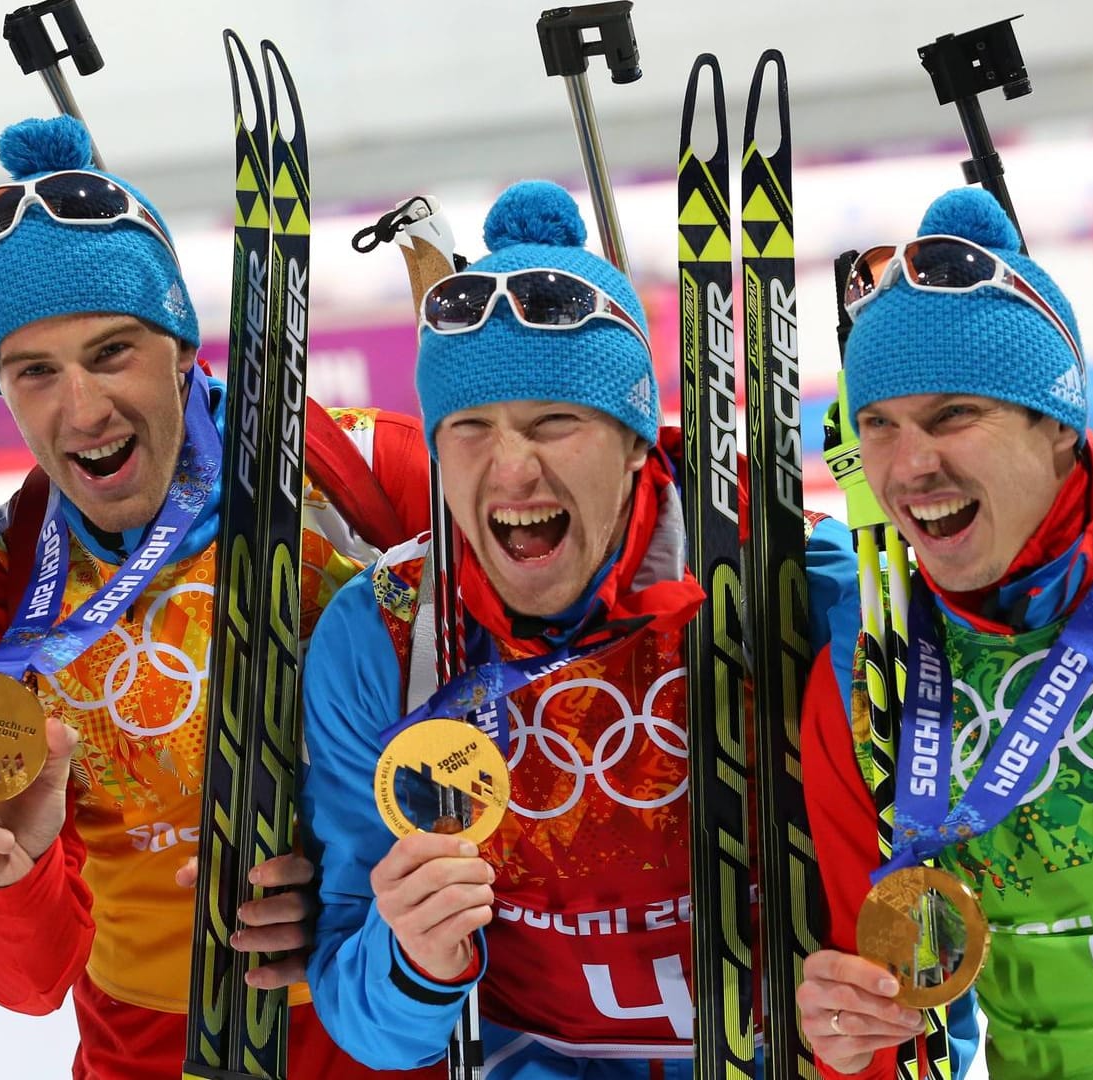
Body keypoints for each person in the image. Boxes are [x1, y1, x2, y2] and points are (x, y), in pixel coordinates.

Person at [0, 115, 435, 1079]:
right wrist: (14, 878)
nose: (85, 410)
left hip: (392, 1026)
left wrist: (356, 878)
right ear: (3, 390)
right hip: (151, 1051)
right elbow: (26, 986)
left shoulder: (365, 470)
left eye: (113, 353)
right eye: (35, 372)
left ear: (182, 347)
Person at [297, 180, 853, 1077]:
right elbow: (366, 1023)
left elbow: (910, 902)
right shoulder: (384, 634)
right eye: (469, 428)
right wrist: (412, 965)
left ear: (639, 439)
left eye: (556, 422)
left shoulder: (788, 580)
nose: (512, 468)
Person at [794, 187, 1093, 1079]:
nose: (911, 465)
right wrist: (843, 1036)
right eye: (880, 424)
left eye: (955, 413)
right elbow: (882, 1031)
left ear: (1058, 423)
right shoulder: (868, 683)